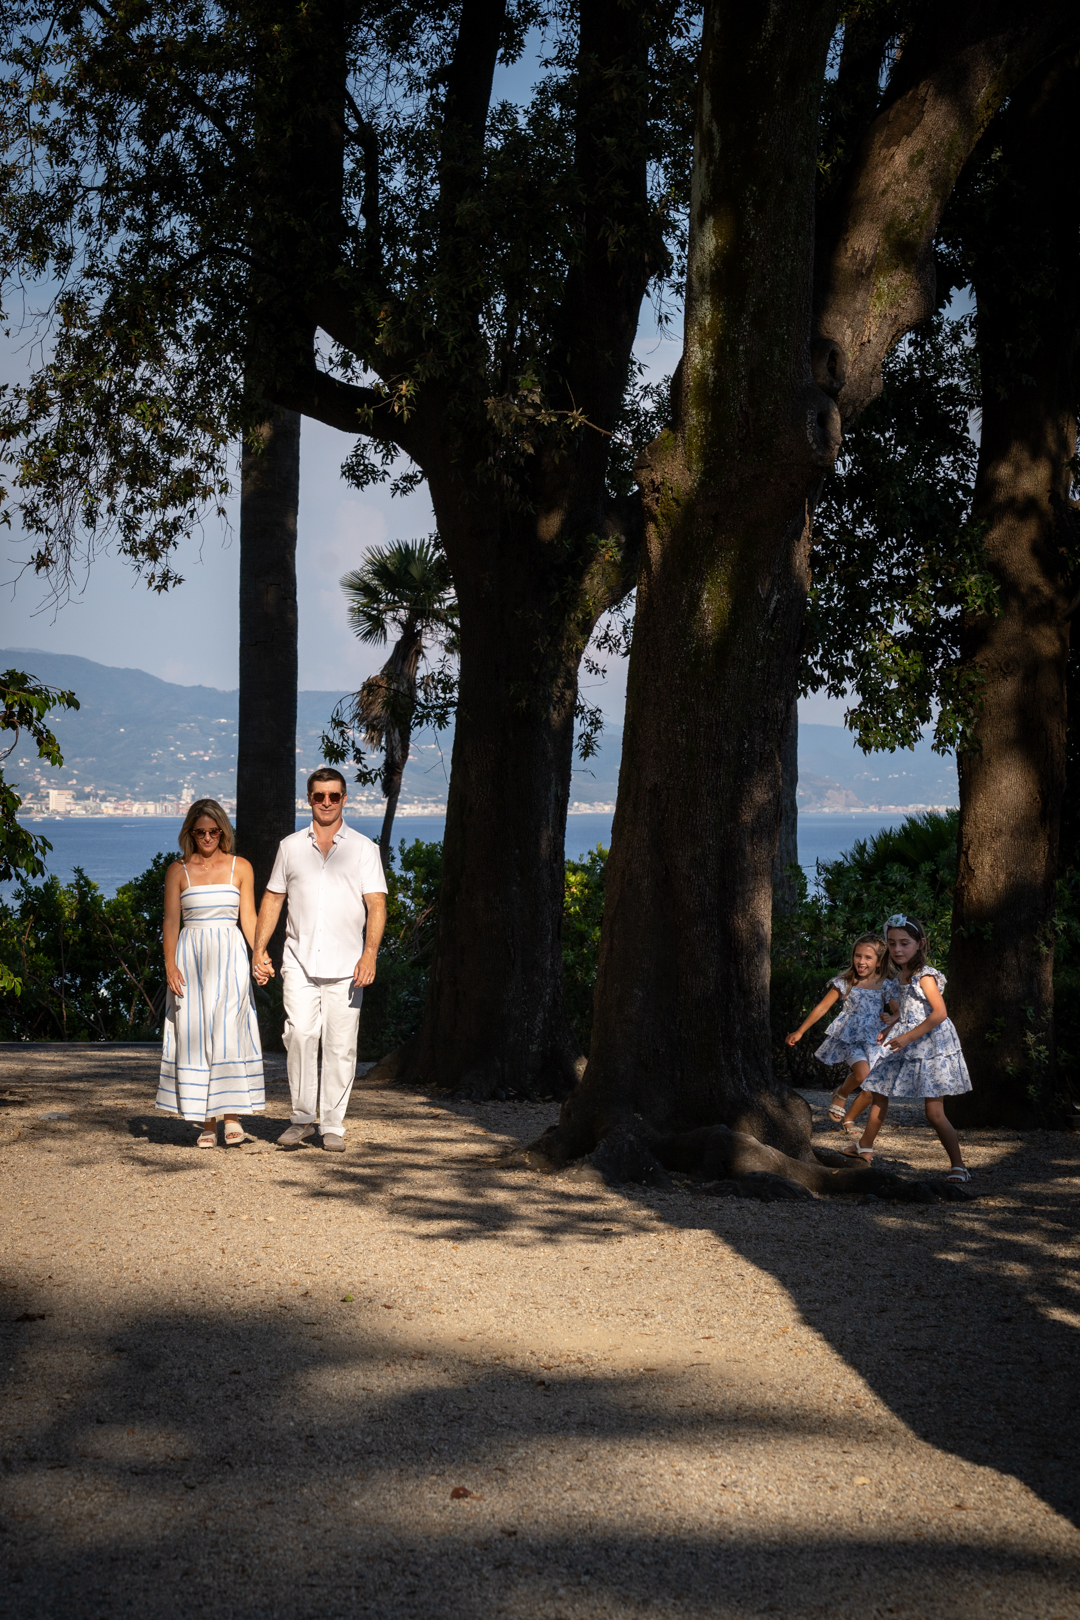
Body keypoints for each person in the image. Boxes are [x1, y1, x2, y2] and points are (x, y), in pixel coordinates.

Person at [252, 767, 387, 1152]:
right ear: (308, 799)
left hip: (348, 964)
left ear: (344, 799)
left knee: (341, 1046)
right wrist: (259, 949)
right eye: (318, 796)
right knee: (299, 1035)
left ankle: (332, 1125)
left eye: (333, 796)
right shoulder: (290, 847)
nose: (326, 802)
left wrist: (370, 954)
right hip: (299, 959)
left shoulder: (363, 848)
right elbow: (274, 898)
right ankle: (301, 1117)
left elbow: (376, 903)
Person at [157, 799, 264, 1147]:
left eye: (213, 831)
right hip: (190, 958)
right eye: (200, 832)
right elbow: (171, 922)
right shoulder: (178, 871)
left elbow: (249, 919)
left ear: (223, 832)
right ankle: (206, 1123)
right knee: (197, 1032)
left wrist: (259, 954)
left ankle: (231, 1116)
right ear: (190, 833)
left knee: (228, 1029)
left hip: (231, 956)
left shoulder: (241, 868)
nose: (207, 837)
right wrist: (170, 965)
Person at [844, 913, 971, 1182]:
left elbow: (938, 1013)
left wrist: (907, 1037)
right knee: (877, 1089)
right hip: (904, 1039)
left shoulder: (925, 976)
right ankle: (864, 1147)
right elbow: (907, 1012)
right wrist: (891, 1028)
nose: (897, 949)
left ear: (920, 943)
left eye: (904, 943)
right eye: (892, 944)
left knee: (934, 1112)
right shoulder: (898, 978)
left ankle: (959, 1165)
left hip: (929, 1044)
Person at [786, 934, 890, 1130]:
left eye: (868, 957)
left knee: (873, 1086)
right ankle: (842, 1093)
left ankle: (849, 1119)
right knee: (862, 1075)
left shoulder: (885, 984)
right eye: (858, 956)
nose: (861, 961)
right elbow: (822, 1007)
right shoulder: (845, 981)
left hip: (875, 1039)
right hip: (850, 1038)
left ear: (879, 962)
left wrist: (893, 1020)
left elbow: (898, 1010)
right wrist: (800, 1031)